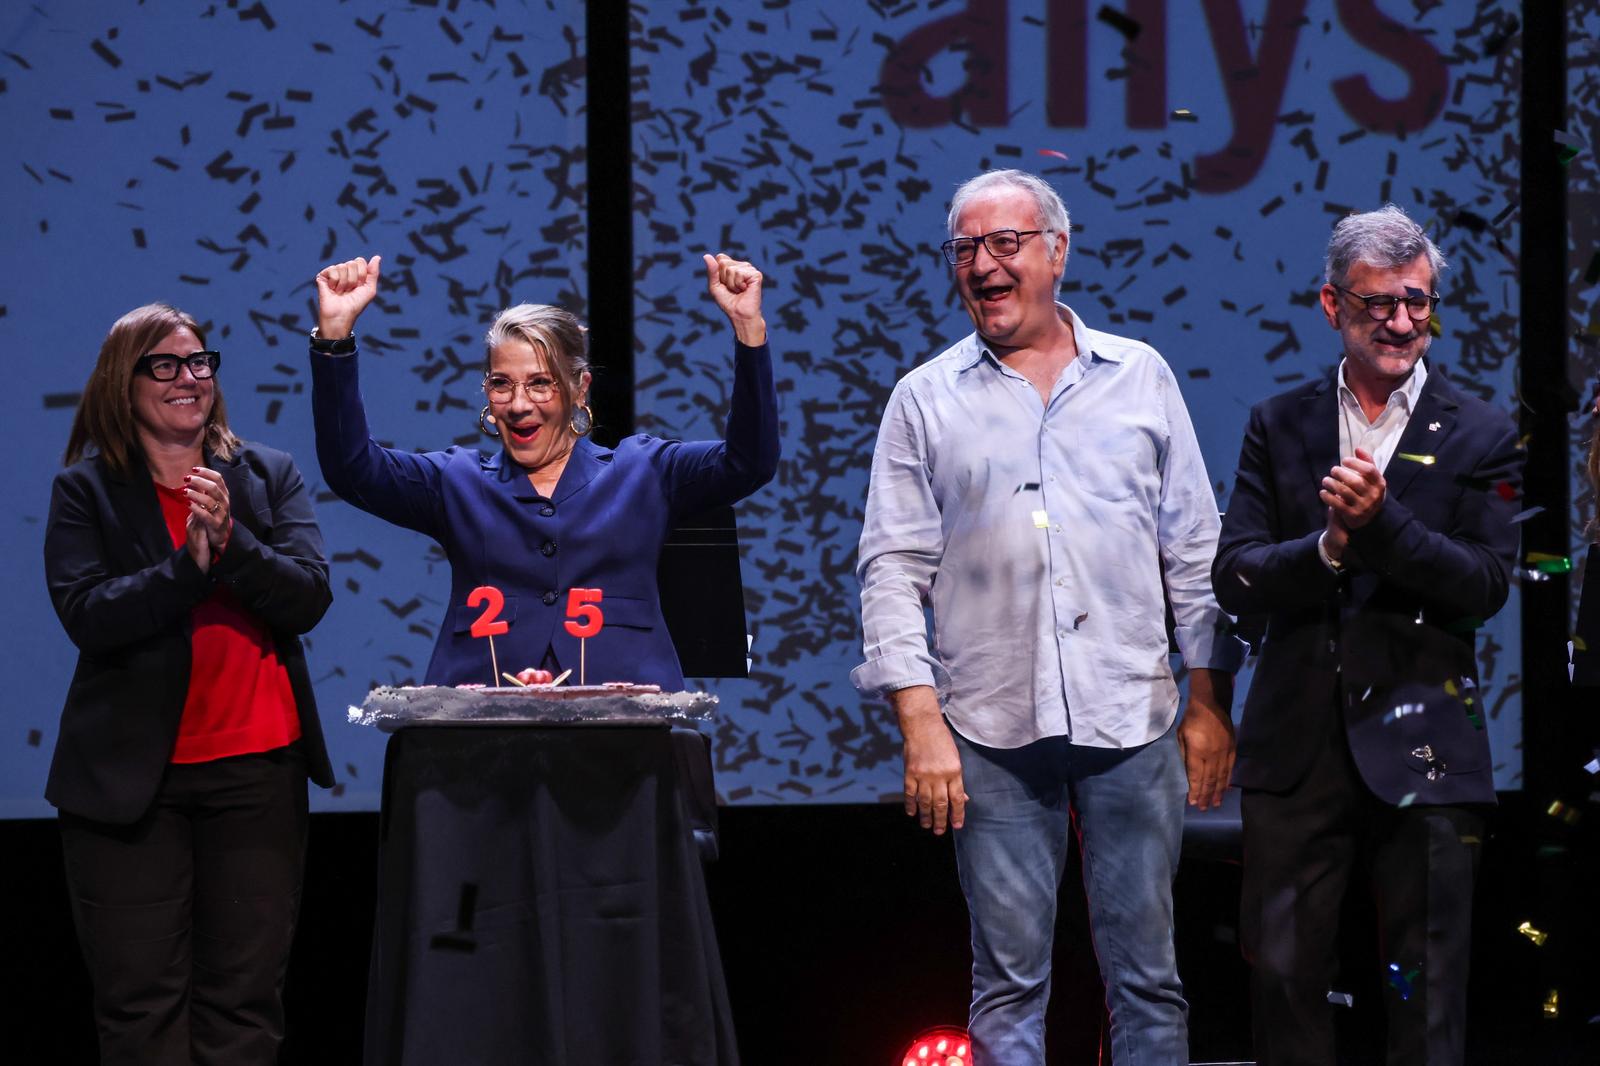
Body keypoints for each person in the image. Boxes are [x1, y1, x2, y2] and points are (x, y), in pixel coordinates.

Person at [852, 168, 1244, 1065]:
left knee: (1148, 980)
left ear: (1057, 252)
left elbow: (1194, 549)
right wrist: (919, 722)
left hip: (1132, 716)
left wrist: (1209, 700)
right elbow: (891, 568)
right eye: (965, 249)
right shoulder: (925, 397)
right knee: (1007, 986)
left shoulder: (1139, 377)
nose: (983, 265)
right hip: (989, 727)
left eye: (1005, 244)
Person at [1212, 205, 1523, 1065]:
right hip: (1296, 750)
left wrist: (1382, 527)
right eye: (1378, 302)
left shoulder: (1484, 433)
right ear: (1332, 305)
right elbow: (1235, 573)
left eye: (1416, 301)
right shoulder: (1280, 423)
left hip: (1428, 748)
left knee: (1427, 997)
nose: (1400, 321)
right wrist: (1327, 549)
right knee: (1283, 986)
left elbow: (1486, 584)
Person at [44, 303, 335, 1065]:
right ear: (124, 380)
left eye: (200, 362)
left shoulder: (265, 475)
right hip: (129, 784)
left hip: (257, 772)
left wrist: (232, 544)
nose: (189, 378)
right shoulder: (87, 490)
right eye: (165, 365)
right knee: (140, 1006)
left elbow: (308, 597)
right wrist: (187, 568)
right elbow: (88, 615)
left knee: (243, 1001)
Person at [308, 252, 777, 686]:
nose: (518, 405)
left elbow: (748, 461)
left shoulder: (644, 472)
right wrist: (334, 338)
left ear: (580, 388)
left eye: (539, 383)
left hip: (627, 721)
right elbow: (352, 468)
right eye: (501, 384)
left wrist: (748, 328)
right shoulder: (457, 482)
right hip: (481, 721)